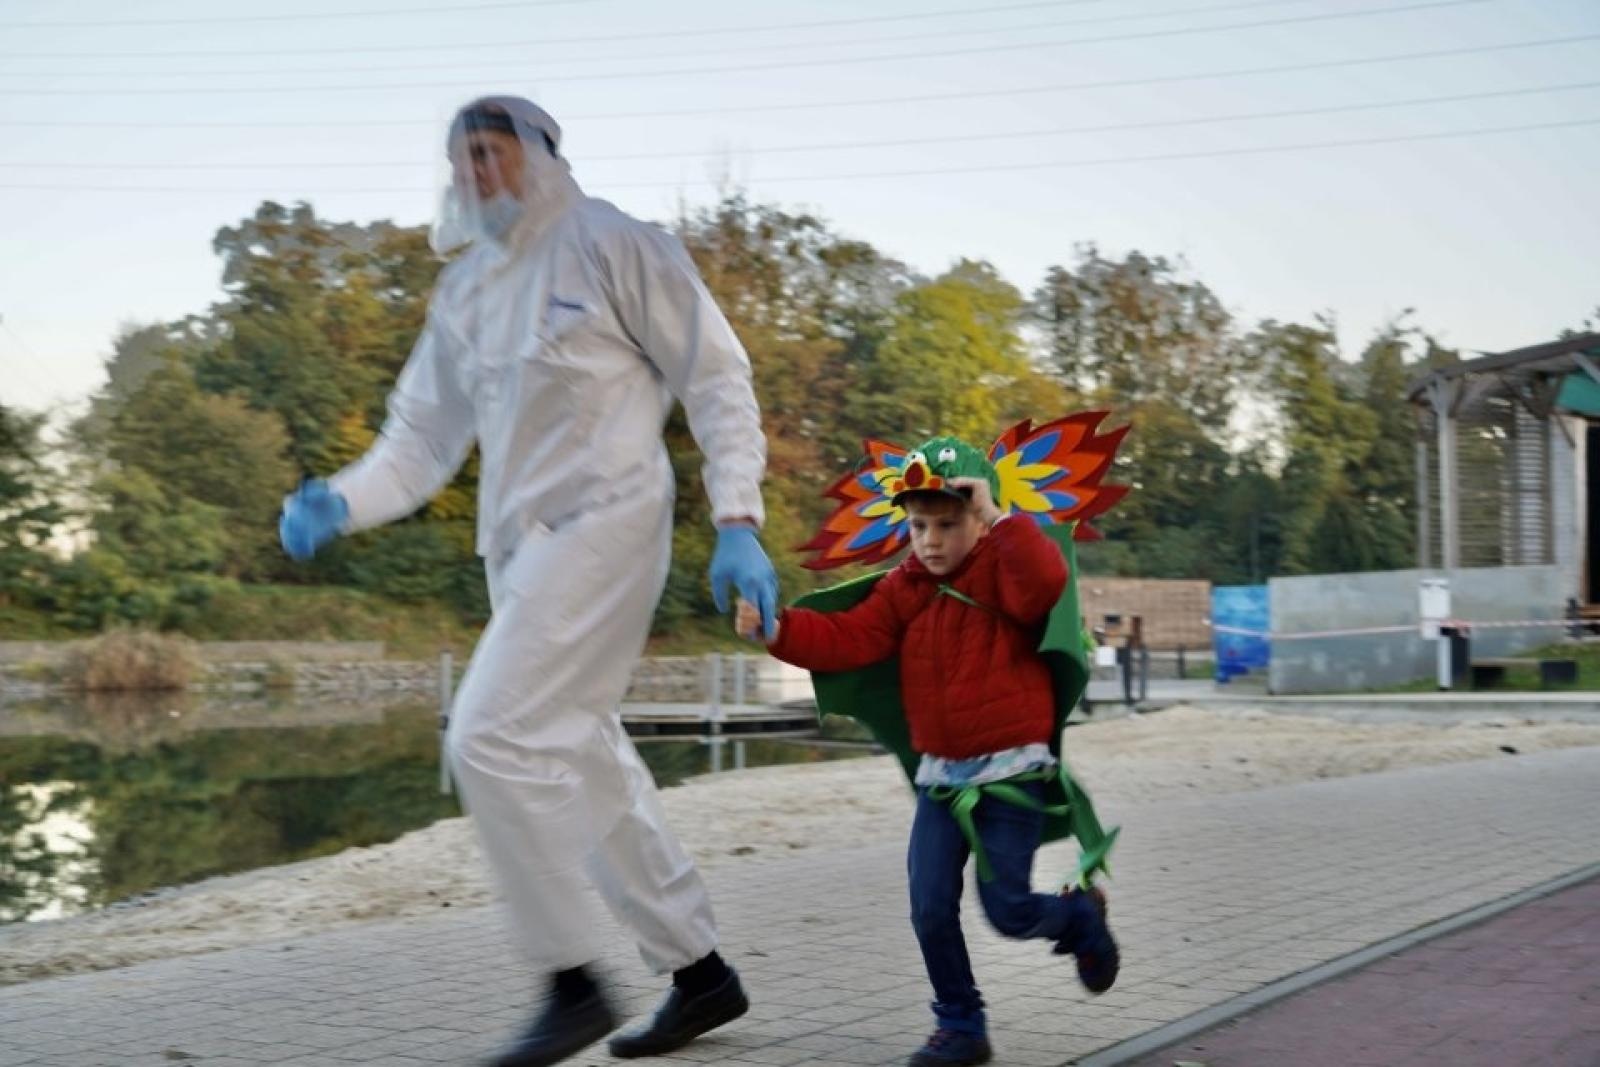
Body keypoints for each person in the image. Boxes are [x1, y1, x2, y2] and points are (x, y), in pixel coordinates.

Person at [278, 95, 779, 1067]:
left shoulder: (614, 244)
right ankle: (700, 969)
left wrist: (739, 518)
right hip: (518, 550)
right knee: (582, 755)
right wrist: (340, 499)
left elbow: (714, 375)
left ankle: (570, 982)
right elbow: (419, 441)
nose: (475, 170)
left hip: (612, 519)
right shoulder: (462, 292)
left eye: (493, 150)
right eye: (462, 154)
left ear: (542, 157)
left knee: (487, 732)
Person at [737, 437, 1120, 1067]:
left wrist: (997, 517)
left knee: (1011, 911)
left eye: (948, 523)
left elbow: (1045, 584)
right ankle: (961, 1025)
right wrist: (777, 630)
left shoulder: (1006, 569)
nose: (932, 540)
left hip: (1010, 775)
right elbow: (848, 637)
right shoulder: (905, 587)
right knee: (928, 906)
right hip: (941, 778)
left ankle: (1080, 918)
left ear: (976, 515)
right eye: (919, 526)